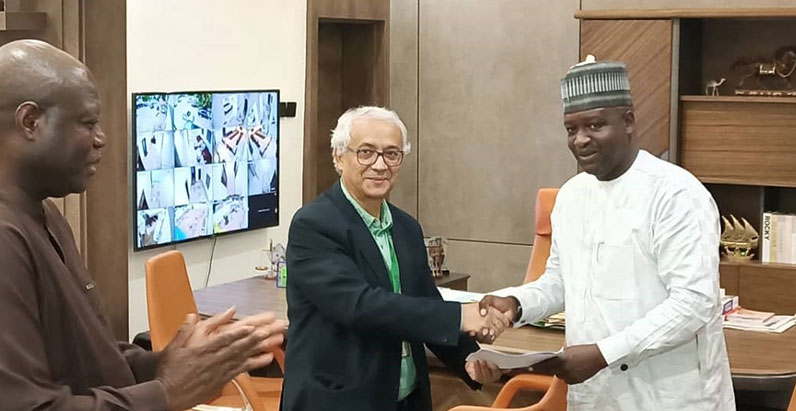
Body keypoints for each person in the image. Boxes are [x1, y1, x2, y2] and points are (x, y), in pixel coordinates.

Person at [0, 39, 287, 411]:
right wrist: (166, 393)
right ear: (30, 122)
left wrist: (163, 364)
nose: (101, 139)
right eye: (88, 123)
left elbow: (83, 356)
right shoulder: (6, 237)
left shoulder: (46, 215)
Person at [472, 56, 735, 410]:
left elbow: (694, 304)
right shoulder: (571, 196)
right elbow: (562, 282)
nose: (581, 140)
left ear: (628, 121)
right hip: (596, 397)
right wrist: (516, 303)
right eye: (571, 129)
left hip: (671, 396)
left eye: (595, 126)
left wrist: (603, 354)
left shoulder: (675, 194)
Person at [282, 106, 508, 411]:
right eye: (366, 152)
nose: (380, 165)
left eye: (392, 154)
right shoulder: (314, 225)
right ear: (338, 157)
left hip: (406, 399)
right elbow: (360, 305)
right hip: (339, 401)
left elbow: (424, 300)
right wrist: (458, 317)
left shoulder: (406, 227)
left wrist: (470, 358)